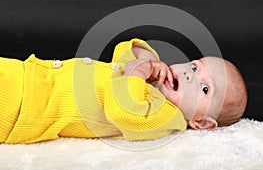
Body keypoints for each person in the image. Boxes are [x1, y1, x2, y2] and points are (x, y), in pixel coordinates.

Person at [0, 38, 247, 144]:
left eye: (205, 88)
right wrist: (146, 57)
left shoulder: (165, 115)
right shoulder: (152, 75)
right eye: (195, 66)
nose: (189, 75)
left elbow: (123, 112)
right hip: (27, 75)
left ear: (200, 122)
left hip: (26, 108)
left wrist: (137, 73)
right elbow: (124, 50)